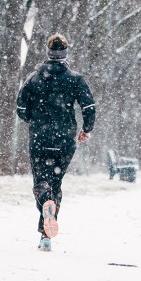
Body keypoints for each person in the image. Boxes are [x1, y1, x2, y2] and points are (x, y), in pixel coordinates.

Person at [16, 33, 95, 251]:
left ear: (48, 53)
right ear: (65, 54)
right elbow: (88, 106)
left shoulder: (34, 78)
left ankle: (45, 205)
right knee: (56, 183)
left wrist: (34, 119)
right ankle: (45, 235)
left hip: (40, 139)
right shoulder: (76, 79)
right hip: (65, 140)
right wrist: (86, 129)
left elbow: (21, 108)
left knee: (42, 182)